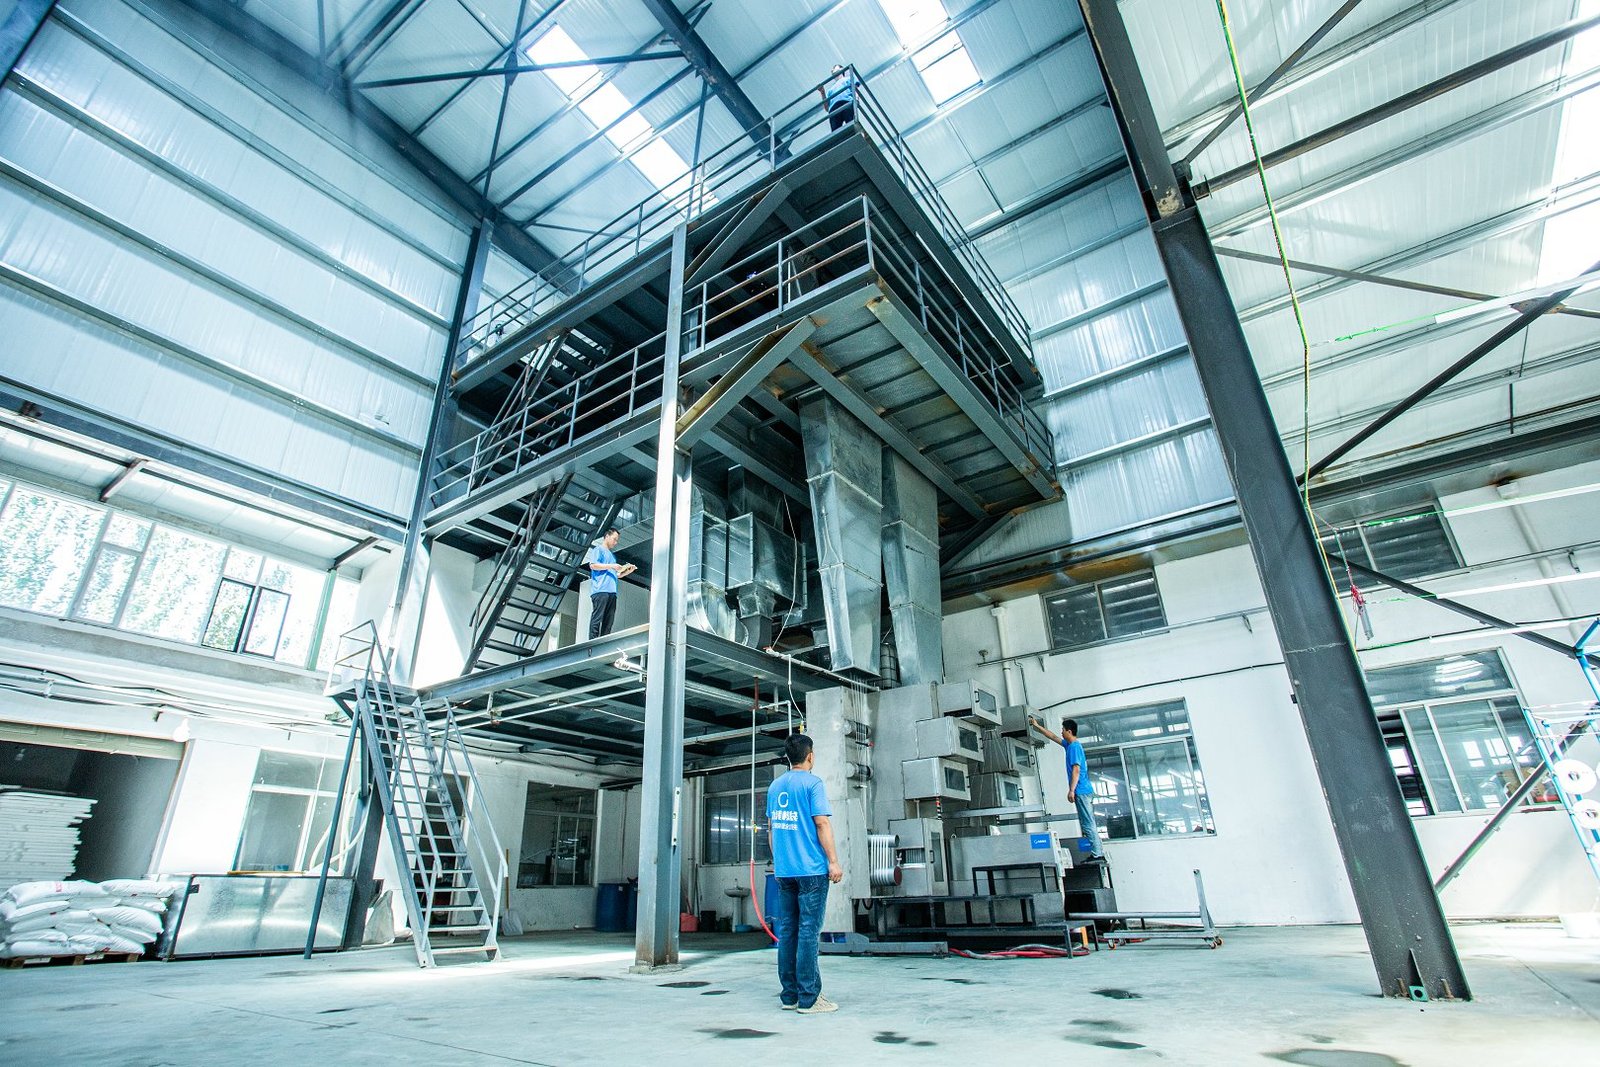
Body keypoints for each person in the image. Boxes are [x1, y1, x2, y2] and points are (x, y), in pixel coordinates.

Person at [766, 733, 843, 1014]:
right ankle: (809, 998)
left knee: (788, 931)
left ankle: (790, 996)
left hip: (784, 872)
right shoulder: (813, 784)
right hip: (811, 871)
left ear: (788, 757)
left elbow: (771, 830)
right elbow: (822, 824)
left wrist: (780, 862)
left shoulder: (775, 786)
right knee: (809, 932)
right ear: (810, 756)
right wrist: (833, 861)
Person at [1029, 715, 1105, 864]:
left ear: (1069, 731)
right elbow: (1053, 737)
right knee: (1087, 823)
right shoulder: (1069, 745)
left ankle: (1098, 855)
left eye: (1063, 730)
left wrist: (1071, 790)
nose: (1061, 732)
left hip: (1081, 790)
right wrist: (1036, 726)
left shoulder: (1075, 747)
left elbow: (1076, 770)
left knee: (1088, 823)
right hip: (1082, 790)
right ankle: (1097, 853)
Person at [585, 529, 634, 641]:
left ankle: (603, 641)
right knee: (597, 618)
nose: (615, 542)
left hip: (612, 592)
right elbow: (593, 565)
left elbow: (616, 575)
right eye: (614, 539)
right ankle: (592, 641)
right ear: (607, 536)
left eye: (617, 540)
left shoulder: (611, 556)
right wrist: (612, 565)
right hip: (600, 590)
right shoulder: (598, 550)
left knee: (609, 621)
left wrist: (627, 571)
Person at [820, 64, 856, 131]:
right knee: (836, 131)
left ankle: (855, 131)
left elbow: (855, 89)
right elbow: (827, 108)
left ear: (841, 69)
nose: (832, 70)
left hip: (846, 102)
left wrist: (856, 100)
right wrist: (822, 92)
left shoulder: (848, 79)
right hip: (833, 109)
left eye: (834, 68)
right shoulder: (830, 90)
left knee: (851, 124)